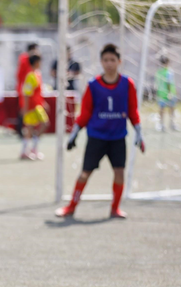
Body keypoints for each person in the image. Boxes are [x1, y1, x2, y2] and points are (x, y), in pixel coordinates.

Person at [56, 44, 144, 219]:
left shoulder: (127, 84)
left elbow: (133, 110)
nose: (109, 63)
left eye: (112, 60)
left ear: (119, 61)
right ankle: (71, 207)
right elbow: (86, 112)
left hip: (118, 137)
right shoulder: (93, 85)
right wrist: (75, 133)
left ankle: (115, 209)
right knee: (85, 173)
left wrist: (139, 132)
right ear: (101, 62)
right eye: (105, 60)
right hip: (97, 136)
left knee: (119, 173)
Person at [20, 55, 49, 160]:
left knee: (44, 124)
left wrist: (43, 103)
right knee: (29, 128)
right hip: (31, 107)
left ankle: (33, 148)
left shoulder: (37, 74)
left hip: (38, 106)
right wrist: (25, 108)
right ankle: (24, 151)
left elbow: (38, 92)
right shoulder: (30, 76)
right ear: (36, 62)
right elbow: (27, 93)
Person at [16, 43, 39, 138]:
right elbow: (20, 74)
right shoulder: (25, 60)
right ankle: (22, 129)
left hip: (29, 89)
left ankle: (26, 130)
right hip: (26, 88)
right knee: (24, 109)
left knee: (26, 110)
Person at [155, 56, 177, 132]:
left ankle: (162, 124)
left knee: (162, 109)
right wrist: (170, 92)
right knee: (170, 108)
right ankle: (171, 124)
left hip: (161, 93)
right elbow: (169, 82)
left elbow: (157, 83)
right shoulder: (168, 71)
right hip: (168, 93)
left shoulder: (159, 71)